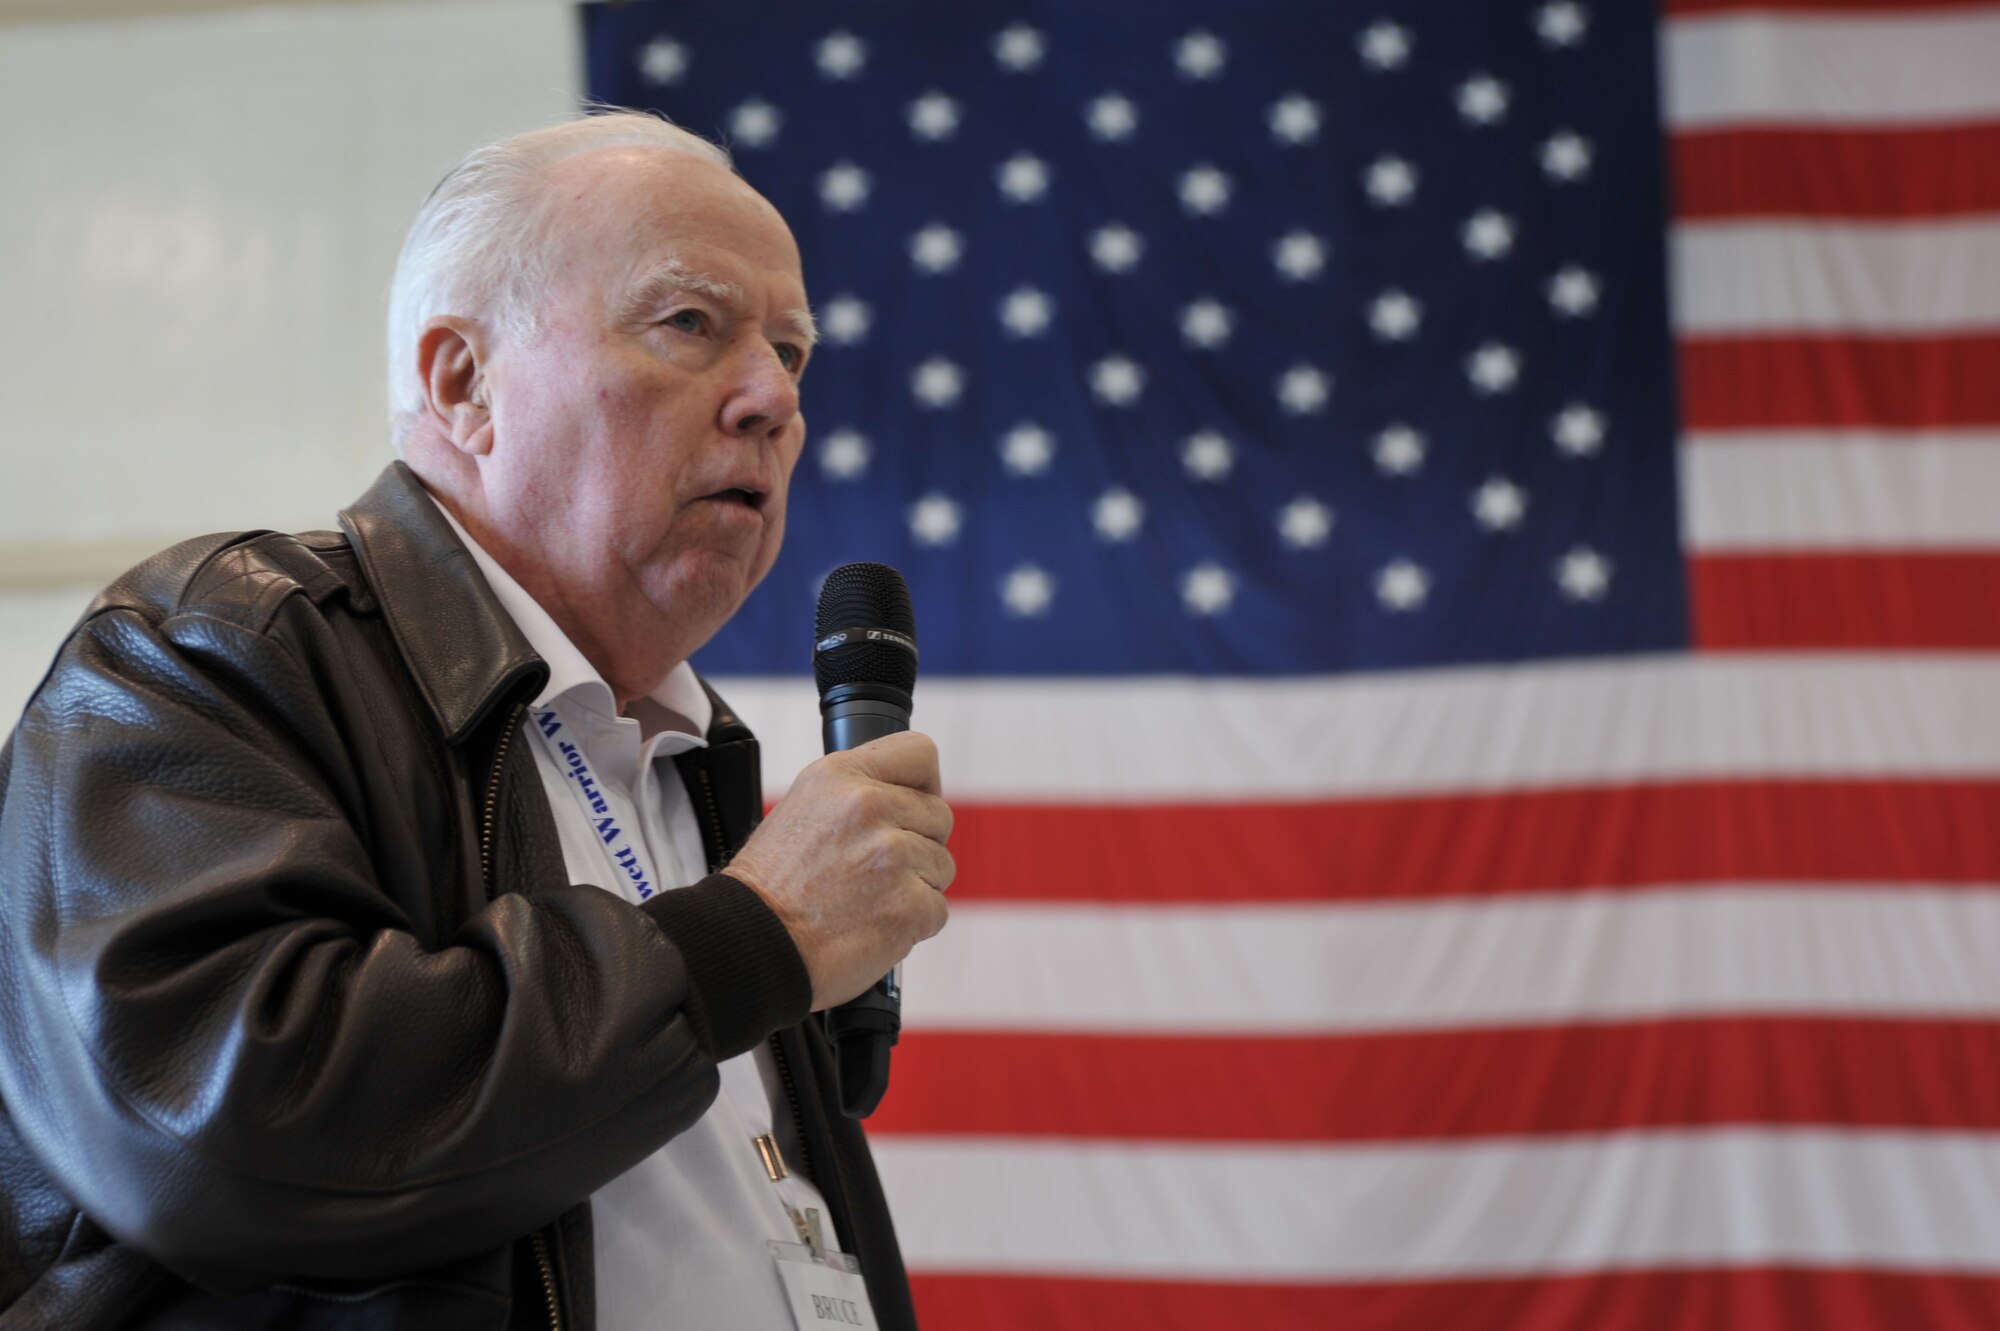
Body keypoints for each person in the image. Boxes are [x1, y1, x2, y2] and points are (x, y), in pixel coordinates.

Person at [0, 110, 952, 1329]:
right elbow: (224, 1127)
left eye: (791, 351)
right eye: (690, 325)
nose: (772, 397)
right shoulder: (218, 646)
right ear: (464, 381)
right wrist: (749, 937)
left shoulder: (686, 758)